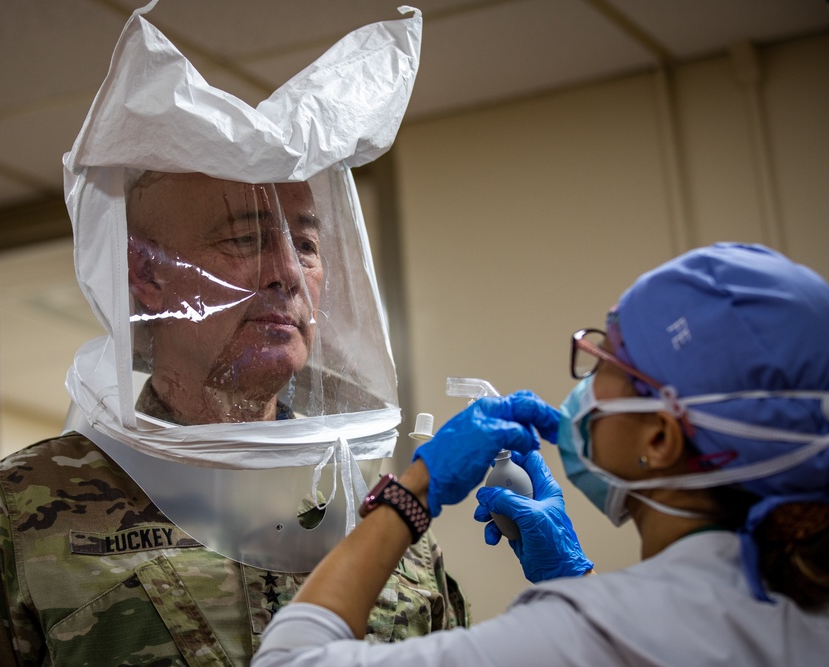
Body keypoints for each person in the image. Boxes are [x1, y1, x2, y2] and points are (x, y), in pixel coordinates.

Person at [0, 5, 466, 666]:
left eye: (306, 243)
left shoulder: (374, 505)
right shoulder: (23, 512)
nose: (287, 273)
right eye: (244, 238)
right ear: (146, 273)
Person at [254, 242, 829, 667]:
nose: (585, 377)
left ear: (659, 438)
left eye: (609, 362)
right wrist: (576, 579)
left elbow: (288, 659)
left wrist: (413, 492)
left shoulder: (590, 637)